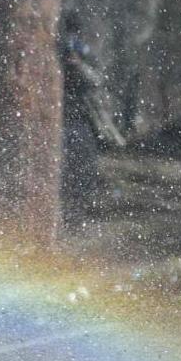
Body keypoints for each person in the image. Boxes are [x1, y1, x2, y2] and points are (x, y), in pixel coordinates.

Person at [57, 13, 123, 225]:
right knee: (64, 170)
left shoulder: (83, 53)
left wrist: (79, 66)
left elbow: (97, 80)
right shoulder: (56, 50)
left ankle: (82, 211)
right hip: (61, 118)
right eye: (68, 31)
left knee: (83, 169)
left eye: (73, 32)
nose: (70, 36)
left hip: (81, 118)